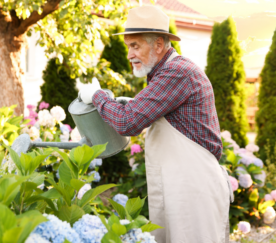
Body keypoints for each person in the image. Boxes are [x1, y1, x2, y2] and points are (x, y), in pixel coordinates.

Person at [79, 5, 233, 243]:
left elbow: (128, 122)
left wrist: (97, 96)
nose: (129, 54)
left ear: (159, 45)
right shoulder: (163, 73)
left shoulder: (177, 72)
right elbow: (148, 112)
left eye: (135, 46)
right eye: (128, 46)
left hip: (193, 187)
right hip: (179, 183)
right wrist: (125, 103)